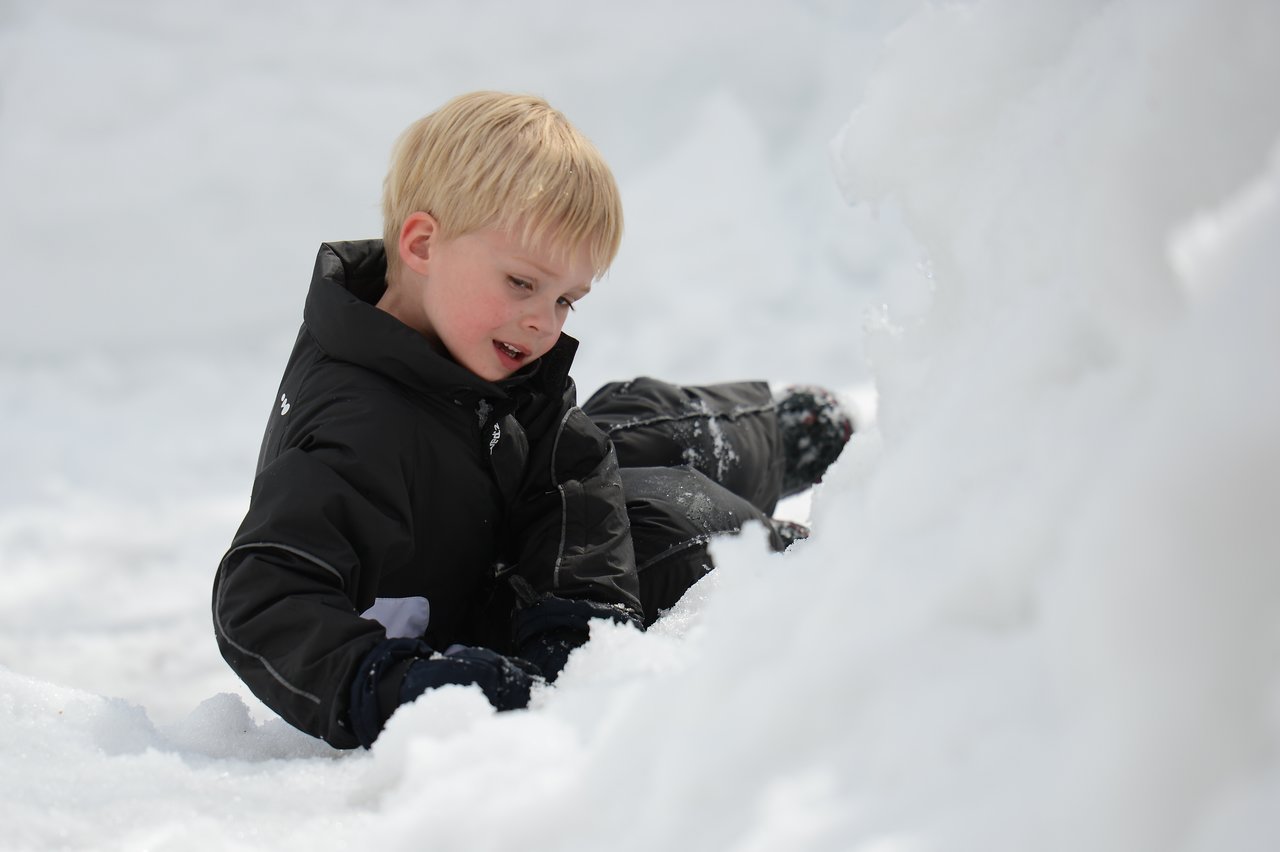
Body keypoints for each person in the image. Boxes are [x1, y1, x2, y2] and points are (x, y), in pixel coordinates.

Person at [211, 91, 852, 750]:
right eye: (522, 283)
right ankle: (821, 556)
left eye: (566, 299)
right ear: (423, 244)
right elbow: (264, 598)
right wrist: (388, 686)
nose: (543, 321)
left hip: (500, 516)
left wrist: (571, 606)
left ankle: (774, 435)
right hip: (482, 617)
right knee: (672, 521)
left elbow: (572, 468)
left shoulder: (452, 339)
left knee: (632, 428)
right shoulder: (356, 433)